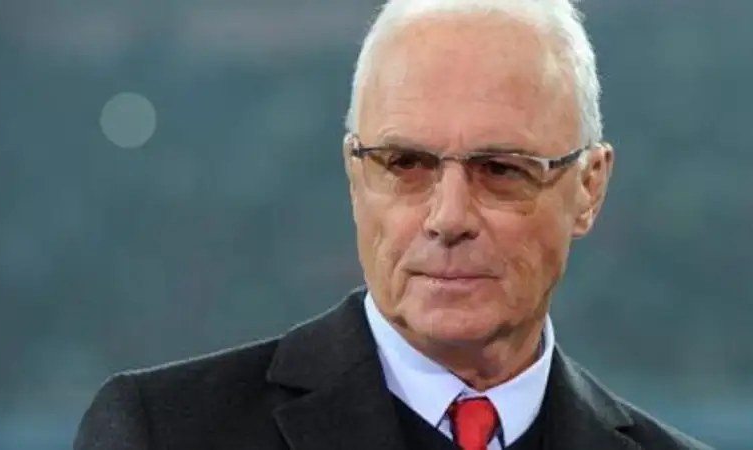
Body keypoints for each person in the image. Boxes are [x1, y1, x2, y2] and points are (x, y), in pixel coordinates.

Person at [74, 0, 713, 449]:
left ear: (589, 188)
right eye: (405, 163)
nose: (449, 218)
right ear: (355, 177)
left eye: (500, 169)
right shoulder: (164, 433)